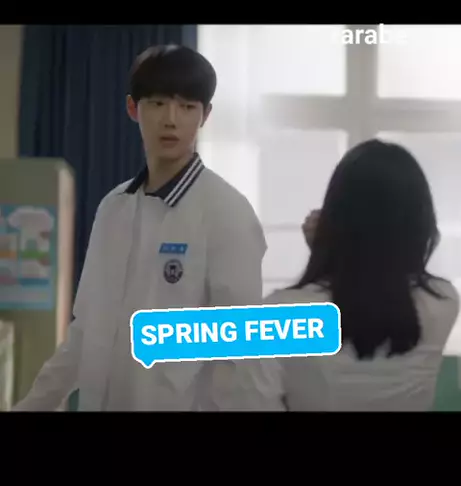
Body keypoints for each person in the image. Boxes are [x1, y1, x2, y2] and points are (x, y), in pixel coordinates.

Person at [14, 45, 283, 411]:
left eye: (187, 107)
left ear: (205, 115)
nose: (170, 119)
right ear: (132, 108)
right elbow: (85, 333)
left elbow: (242, 355)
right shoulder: (113, 208)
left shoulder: (226, 212)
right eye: (157, 103)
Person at [265, 139, 459, 411]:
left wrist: (324, 251)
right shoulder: (444, 300)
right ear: (420, 223)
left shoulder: (283, 311)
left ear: (334, 220)